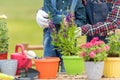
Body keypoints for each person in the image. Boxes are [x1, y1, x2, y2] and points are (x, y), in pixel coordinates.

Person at [36, 0, 86, 72]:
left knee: (67, 71)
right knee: (49, 70)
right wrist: (63, 19)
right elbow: (50, 15)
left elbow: (82, 20)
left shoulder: (76, 2)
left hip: (68, 45)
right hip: (51, 42)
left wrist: (73, 24)